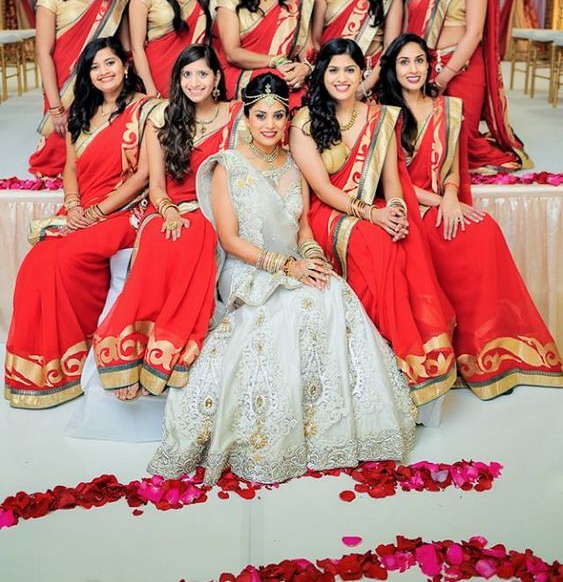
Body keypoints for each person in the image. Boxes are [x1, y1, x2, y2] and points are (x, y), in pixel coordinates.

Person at [148, 73, 416, 484]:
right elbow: (230, 240)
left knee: (332, 293)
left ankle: (328, 428)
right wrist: (287, 267)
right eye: (261, 116)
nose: (270, 124)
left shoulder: (293, 164)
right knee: (296, 305)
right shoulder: (228, 167)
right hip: (247, 270)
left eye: (278, 116)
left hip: (290, 261)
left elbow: (304, 227)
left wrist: (311, 256)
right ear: (247, 118)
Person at [375, 33, 563, 399]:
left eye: (418, 61)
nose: (413, 69)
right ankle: (453, 350)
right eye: (404, 62)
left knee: (485, 230)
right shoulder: (383, 114)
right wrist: (437, 201)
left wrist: (449, 195)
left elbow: (454, 170)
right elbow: (390, 183)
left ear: (429, 65)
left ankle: (488, 350)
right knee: (454, 239)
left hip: (441, 201)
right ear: (392, 69)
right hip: (406, 205)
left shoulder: (449, 108)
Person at [290, 38, 457, 409]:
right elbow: (321, 189)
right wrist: (375, 215)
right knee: (377, 245)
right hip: (328, 212)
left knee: (405, 239)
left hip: (373, 207)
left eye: (349, 69)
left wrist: (396, 212)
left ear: (362, 73)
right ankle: (399, 356)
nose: (342, 77)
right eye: (333, 69)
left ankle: (421, 347)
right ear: (322, 73)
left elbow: (393, 180)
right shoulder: (304, 121)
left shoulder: (380, 116)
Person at [5, 37, 154, 409]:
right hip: (82, 208)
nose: (104, 72)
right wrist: (73, 205)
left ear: (125, 64)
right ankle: (52, 369)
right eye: (95, 67)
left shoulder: (146, 111)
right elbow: (70, 167)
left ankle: (78, 353)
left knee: (66, 257)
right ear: (87, 75)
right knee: (37, 262)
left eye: (110, 63)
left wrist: (99, 212)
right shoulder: (81, 112)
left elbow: (144, 177)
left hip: (126, 211)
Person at [93, 44, 246, 400]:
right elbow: (157, 186)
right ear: (178, 80)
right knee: (166, 240)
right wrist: (170, 211)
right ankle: (127, 350)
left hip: (212, 211)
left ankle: (166, 351)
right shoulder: (161, 119)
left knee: (195, 238)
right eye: (187, 74)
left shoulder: (236, 116)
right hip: (167, 209)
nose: (195, 82)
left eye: (202, 73)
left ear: (217, 77)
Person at [404, 0, 529, 173]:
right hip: (420, 67)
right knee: (415, 139)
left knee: (461, 140)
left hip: (461, 67)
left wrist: (441, 78)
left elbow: (473, 35)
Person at [29, 0, 131, 178]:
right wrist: (56, 107)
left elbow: (126, 48)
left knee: (98, 157)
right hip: (63, 87)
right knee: (55, 159)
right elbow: (44, 52)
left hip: (102, 85)